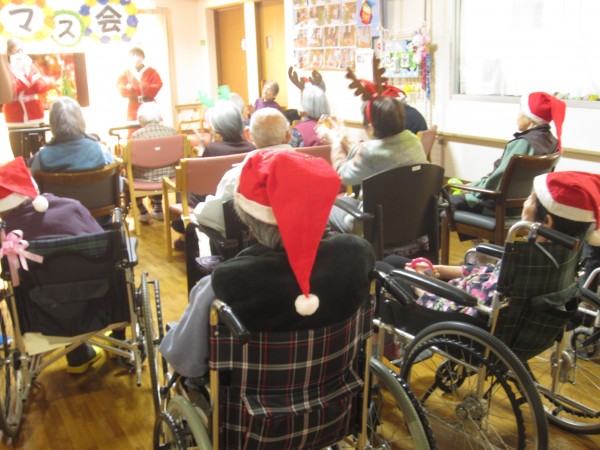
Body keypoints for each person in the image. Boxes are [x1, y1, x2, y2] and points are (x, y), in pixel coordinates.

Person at [160, 150, 375, 378]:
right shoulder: (357, 254)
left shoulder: (224, 282)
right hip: (338, 384)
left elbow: (187, 363)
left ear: (248, 220)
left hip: (252, 395)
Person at [409, 171, 600, 315]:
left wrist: (419, 283)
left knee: (395, 270)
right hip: (494, 312)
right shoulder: (559, 257)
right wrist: (438, 270)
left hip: (457, 316)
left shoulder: (521, 262)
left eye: (530, 199)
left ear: (547, 221)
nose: (525, 202)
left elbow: (457, 307)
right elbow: (492, 273)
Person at [0, 157, 104, 374]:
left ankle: (78, 355)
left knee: (45, 287)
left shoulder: (8, 238)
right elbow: (104, 245)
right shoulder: (72, 206)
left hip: (43, 315)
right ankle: (117, 345)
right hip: (99, 301)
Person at [320, 75, 426, 234]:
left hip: (373, 225)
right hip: (410, 219)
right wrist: (345, 140)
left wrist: (335, 144)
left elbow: (344, 175)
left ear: (371, 127)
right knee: (348, 201)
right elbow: (373, 155)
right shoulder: (413, 140)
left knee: (324, 206)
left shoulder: (370, 152)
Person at [449, 91, 566, 216]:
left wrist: (473, 187)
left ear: (530, 117)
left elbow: (497, 182)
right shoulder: (552, 142)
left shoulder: (524, 143)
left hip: (497, 207)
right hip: (526, 206)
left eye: (520, 111)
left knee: (443, 201)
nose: (518, 116)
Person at [193, 107, 292, 236]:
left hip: (256, 244)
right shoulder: (309, 168)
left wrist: (198, 210)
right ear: (288, 136)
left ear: (248, 135)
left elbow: (211, 216)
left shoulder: (236, 176)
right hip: (306, 244)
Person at [29, 96, 114, 175]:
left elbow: (32, 185)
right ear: (81, 119)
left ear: (52, 123)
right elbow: (117, 184)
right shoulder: (102, 152)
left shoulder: (41, 159)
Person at [129, 101, 178, 223]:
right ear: (159, 116)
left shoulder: (136, 136)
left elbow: (130, 161)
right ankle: (158, 209)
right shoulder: (172, 132)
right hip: (170, 178)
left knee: (126, 179)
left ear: (141, 119)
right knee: (159, 170)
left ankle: (143, 212)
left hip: (144, 179)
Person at [3, 38, 49, 159]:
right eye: (16, 51)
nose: (20, 54)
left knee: (38, 154)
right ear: (9, 52)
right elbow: (10, 91)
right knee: (20, 156)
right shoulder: (4, 69)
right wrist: (27, 78)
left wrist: (32, 76)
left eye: (22, 51)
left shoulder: (30, 66)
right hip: (15, 119)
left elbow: (42, 87)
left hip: (35, 116)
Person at [116, 46, 163, 122]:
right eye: (133, 55)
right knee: (133, 127)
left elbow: (158, 84)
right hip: (133, 106)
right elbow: (120, 86)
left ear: (142, 57)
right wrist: (128, 89)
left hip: (149, 104)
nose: (135, 58)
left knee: (152, 124)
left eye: (138, 55)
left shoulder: (151, 71)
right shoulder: (126, 72)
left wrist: (145, 87)